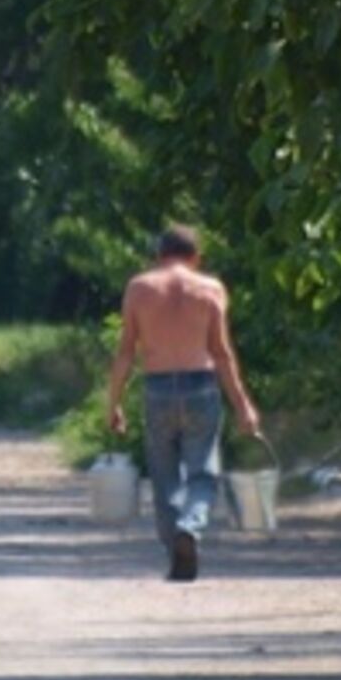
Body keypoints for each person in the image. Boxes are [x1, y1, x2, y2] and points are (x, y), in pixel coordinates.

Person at [106, 224, 260, 582]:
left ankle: (174, 542)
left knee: (164, 476)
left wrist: (113, 403)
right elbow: (222, 354)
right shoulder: (211, 289)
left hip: (157, 386)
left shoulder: (139, 288)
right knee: (203, 472)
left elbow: (126, 352)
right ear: (196, 256)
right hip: (200, 385)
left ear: (159, 255)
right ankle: (190, 528)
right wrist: (243, 406)